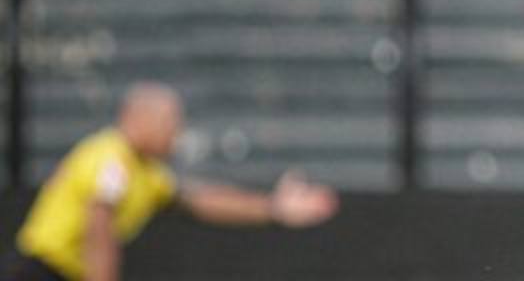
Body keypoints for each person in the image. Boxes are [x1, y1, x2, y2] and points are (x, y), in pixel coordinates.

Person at [2, 82, 339, 281]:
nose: (175, 135)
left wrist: (272, 208)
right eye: (169, 123)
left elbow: (202, 200)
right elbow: (99, 229)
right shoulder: (110, 158)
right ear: (138, 119)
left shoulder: (148, 174)